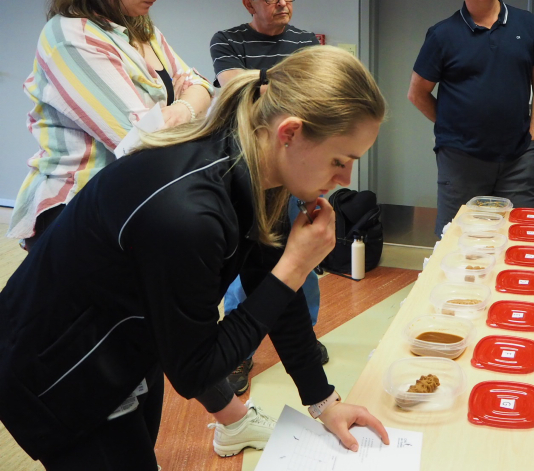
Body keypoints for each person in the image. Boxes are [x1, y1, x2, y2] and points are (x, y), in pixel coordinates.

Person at [0, 45, 390, 470]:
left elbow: (275, 294)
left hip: (127, 343)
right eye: (339, 160)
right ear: (290, 133)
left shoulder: (258, 169)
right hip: (56, 369)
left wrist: (323, 400)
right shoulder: (188, 211)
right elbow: (196, 370)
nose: (344, 179)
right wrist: (294, 267)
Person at [6, 0, 212, 248]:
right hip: (77, 211)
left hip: (132, 198)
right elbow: (141, 140)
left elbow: (200, 85)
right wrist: (187, 109)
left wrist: (177, 111)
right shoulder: (71, 38)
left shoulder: (140, 27)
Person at [210, 0, 327, 397]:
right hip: (248, 168)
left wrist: (266, 86)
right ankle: (239, 350)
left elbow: (316, 96)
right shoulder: (227, 40)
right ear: (249, 2)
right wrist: (285, 86)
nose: (282, 2)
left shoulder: (305, 41)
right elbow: (235, 88)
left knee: (302, 254)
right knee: (249, 262)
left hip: (296, 164)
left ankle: (304, 336)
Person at [408, 0, 534, 237]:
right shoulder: (442, 35)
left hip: (518, 159)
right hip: (460, 162)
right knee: (458, 240)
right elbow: (417, 94)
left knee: (519, 236)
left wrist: (533, 140)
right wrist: (453, 126)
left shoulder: (526, 24)